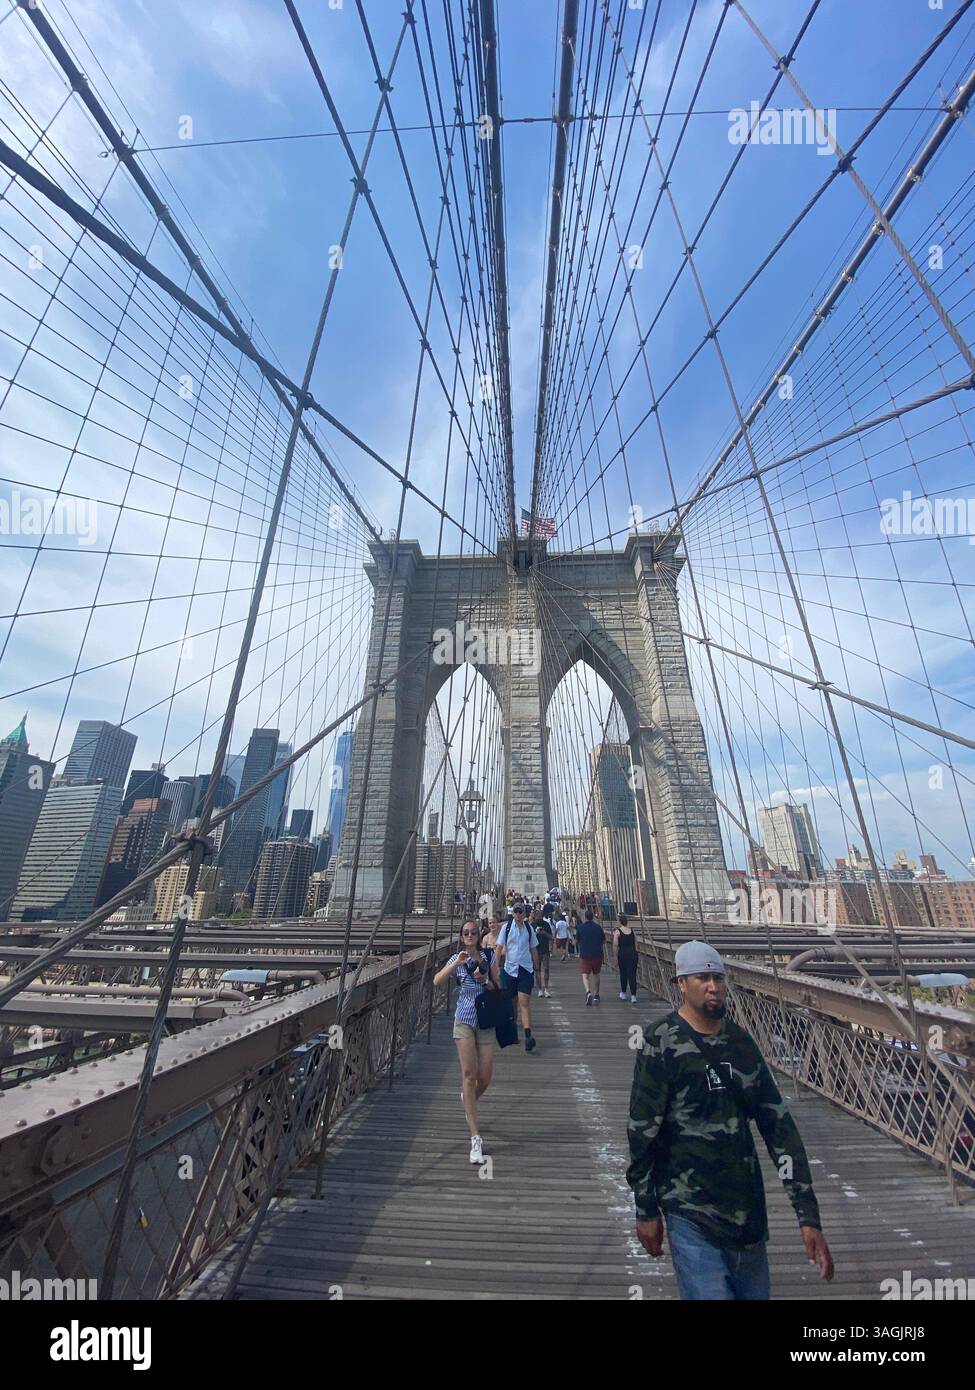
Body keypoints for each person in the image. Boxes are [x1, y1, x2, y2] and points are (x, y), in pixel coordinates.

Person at [627, 940, 834, 1300]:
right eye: (702, 977)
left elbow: (778, 1129)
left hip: (748, 1217)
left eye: (718, 977)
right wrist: (646, 1209)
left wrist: (807, 1215)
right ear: (681, 983)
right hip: (689, 1211)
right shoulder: (660, 1042)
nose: (713, 986)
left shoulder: (742, 1045)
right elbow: (641, 1130)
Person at [433, 920, 500, 1165]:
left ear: (478, 935)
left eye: (473, 932)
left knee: (485, 1078)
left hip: (485, 1020)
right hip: (463, 1019)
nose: (470, 935)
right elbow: (436, 981)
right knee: (469, 1075)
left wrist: (485, 982)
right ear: (462, 937)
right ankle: (475, 1138)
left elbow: (497, 985)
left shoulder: (489, 957)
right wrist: (456, 965)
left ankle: (467, 1098)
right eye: (466, 933)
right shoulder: (457, 958)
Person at [494, 902, 539, 1052]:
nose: (519, 915)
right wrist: (494, 968)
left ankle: (528, 1036)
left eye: (521, 912)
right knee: (510, 1003)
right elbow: (499, 948)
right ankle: (512, 1033)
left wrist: (537, 968)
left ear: (525, 914)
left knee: (523, 1002)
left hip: (525, 970)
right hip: (509, 970)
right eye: (516, 912)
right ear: (513, 913)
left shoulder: (529, 929)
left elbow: (533, 949)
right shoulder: (506, 928)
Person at [575, 909, 605, 1006]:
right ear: (593, 917)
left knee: (585, 975)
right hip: (597, 954)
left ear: (585, 917)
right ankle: (596, 995)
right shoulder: (598, 927)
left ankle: (588, 992)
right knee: (596, 974)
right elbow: (603, 941)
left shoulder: (581, 928)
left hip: (585, 954)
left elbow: (577, 941)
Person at [614, 912, 638, 1004]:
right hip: (632, 953)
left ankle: (623, 993)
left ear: (620, 922)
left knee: (623, 973)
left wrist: (615, 956)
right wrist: (635, 952)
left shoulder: (617, 932)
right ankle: (633, 996)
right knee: (632, 975)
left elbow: (615, 945)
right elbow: (636, 943)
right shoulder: (632, 931)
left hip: (623, 953)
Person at [532, 908, 554, 997]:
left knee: (546, 969)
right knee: (537, 970)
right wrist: (535, 933)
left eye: (540, 916)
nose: (539, 918)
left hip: (545, 950)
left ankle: (546, 989)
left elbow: (551, 937)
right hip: (536, 950)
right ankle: (540, 989)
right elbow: (529, 938)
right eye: (537, 916)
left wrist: (544, 933)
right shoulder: (532, 925)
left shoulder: (546, 924)